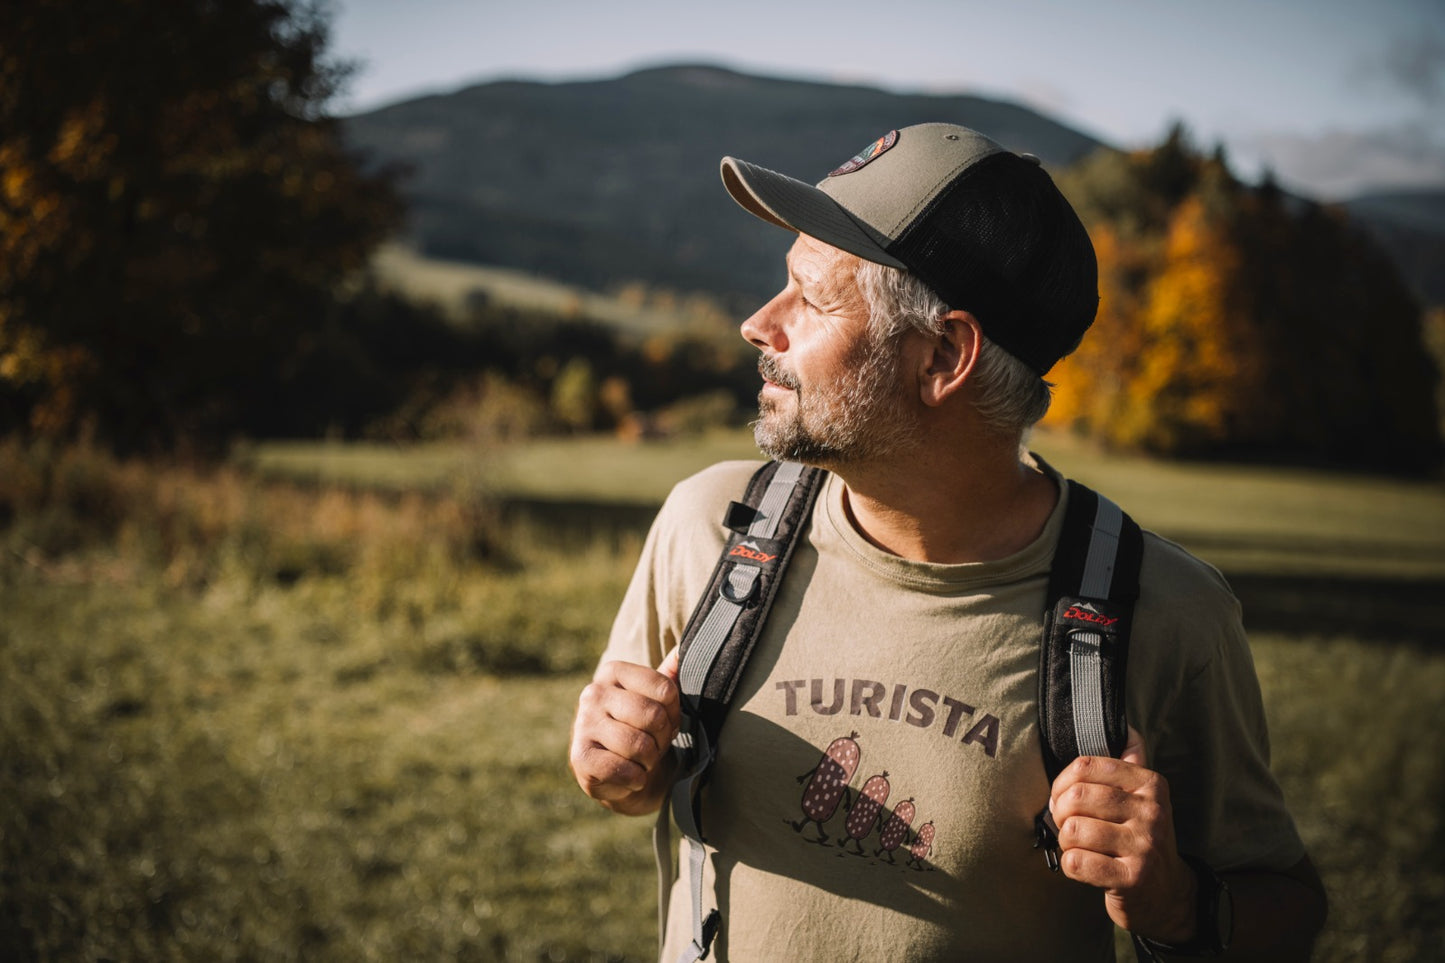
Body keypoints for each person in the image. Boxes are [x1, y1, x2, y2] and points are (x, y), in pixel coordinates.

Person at [568, 123, 1326, 961]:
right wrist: (618, 771)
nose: (757, 323)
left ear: (942, 357)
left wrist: (1177, 901)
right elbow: (633, 778)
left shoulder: (1166, 615)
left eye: (812, 299)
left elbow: (1287, 907)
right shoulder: (709, 527)